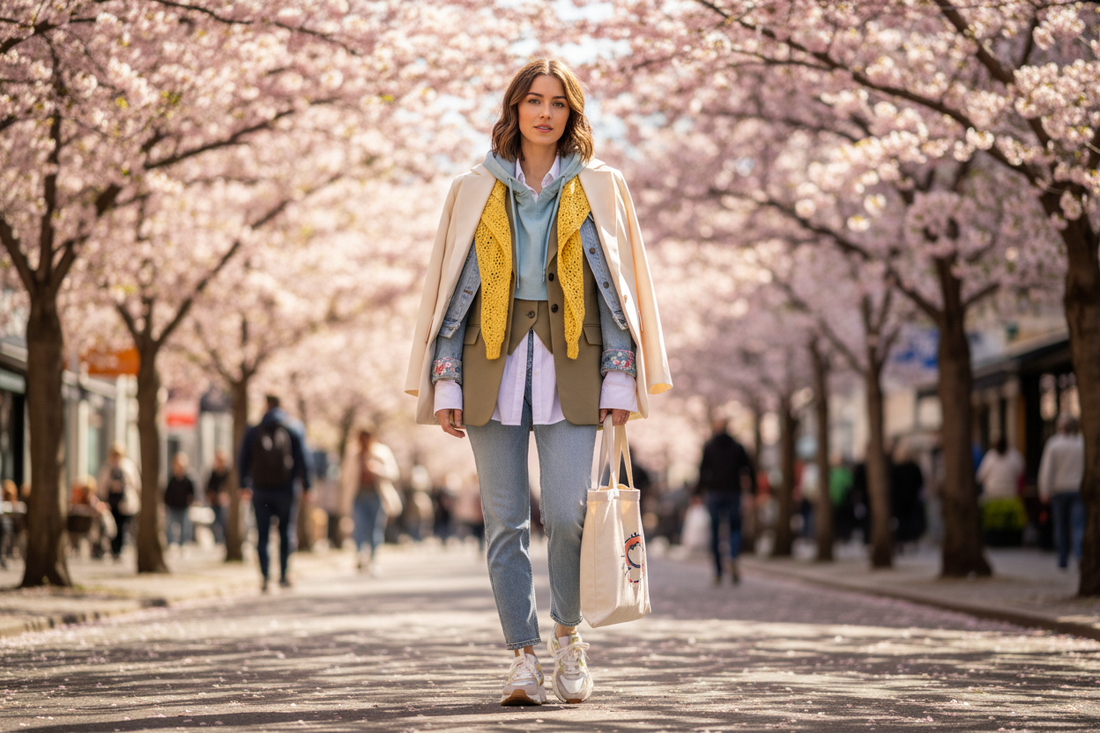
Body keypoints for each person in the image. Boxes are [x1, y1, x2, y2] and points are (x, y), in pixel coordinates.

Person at [405, 58, 670, 706]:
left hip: (573, 366)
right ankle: (522, 656)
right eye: (534, 101)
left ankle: (568, 636)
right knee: (503, 522)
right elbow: (450, 288)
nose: (545, 113)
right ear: (515, 110)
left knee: (568, 513)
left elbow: (619, 289)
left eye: (558, 103)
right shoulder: (474, 186)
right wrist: (445, 381)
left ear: (571, 113)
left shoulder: (601, 185)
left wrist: (619, 380)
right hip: (488, 364)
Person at [238, 395, 311, 591]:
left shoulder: (254, 430)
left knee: (262, 534)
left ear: (266, 405)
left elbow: (243, 458)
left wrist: (243, 484)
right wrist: (307, 486)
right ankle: (285, 574)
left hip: (260, 489)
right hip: (286, 489)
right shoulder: (293, 428)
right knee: (286, 532)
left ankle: (264, 576)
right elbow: (304, 458)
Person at [695, 418, 755, 585]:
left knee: (715, 532)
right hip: (734, 493)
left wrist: (698, 492)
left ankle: (718, 571)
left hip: (714, 494)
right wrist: (752, 491)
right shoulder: (738, 447)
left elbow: (702, 471)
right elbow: (749, 469)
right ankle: (733, 557)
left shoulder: (709, 447)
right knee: (735, 528)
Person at [339, 428, 400, 574]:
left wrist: (377, 469)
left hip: (376, 495)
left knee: (375, 528)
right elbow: (344, 475)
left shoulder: (382, 452)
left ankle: (373, 559)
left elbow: (394, 473)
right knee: (359, 527)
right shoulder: (352, 453)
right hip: (358, 495)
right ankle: (360, 557)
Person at [1038, 415, 1084, 570]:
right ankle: (1080, 557)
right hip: (1077, 489)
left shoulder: (1053, 444)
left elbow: (1047, 469)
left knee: (1061, 526)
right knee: (1078, 526)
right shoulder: (1081, 443)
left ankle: (1062, 560)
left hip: (1058, 490)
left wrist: (1044, 489)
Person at [96, 442, 141, 561]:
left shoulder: (128, 467)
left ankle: (121, 549)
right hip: (112, 502)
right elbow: (102, 486)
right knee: (112, 527)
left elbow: (135, 484)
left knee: (124, 527)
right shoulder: (107, 468)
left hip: (126, 502)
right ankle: (114, 550)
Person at [164, 452, 196, 552]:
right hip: (173, 506)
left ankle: (184, 544)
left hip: (184, 506)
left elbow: (193, 492)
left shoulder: (188, 479)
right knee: (170, 526)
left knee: (185, 526)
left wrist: (191, 501)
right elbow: (166, 492)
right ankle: (171, 544)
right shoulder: (171, 479)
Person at [205, 449, 231, 545]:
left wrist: (225, 496)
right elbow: (207, 487)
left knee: (224, 522)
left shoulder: (228, 473)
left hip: (225, 503)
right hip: (214, 502)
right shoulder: (213, 473)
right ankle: (218, 541)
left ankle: (224, 541)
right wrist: (211, 495)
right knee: (215, 523)